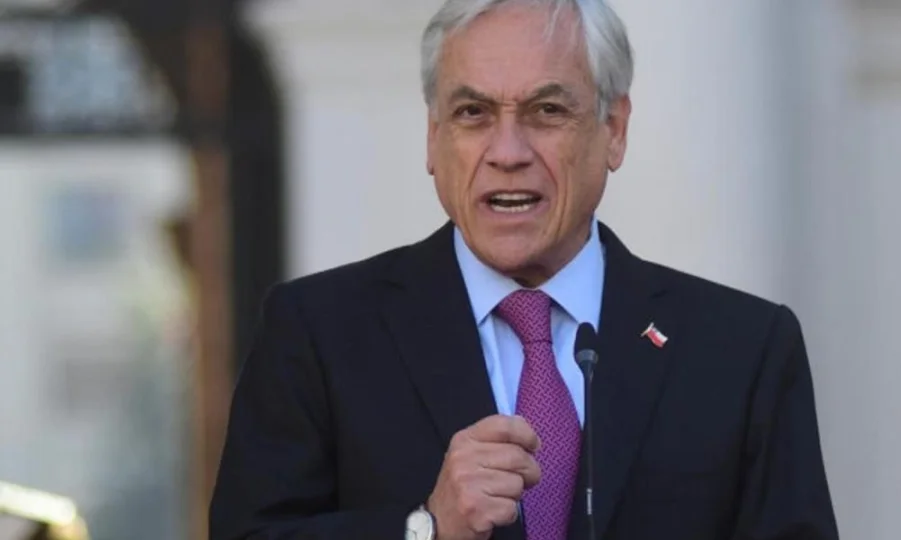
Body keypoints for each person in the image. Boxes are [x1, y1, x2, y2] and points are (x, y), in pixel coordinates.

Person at [209, 0, 839, 538]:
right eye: (473, 114)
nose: (507, 152)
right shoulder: (319, 334)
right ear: (433, 137)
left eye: (546, 111)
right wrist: (425, 528)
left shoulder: (741, 350)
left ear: (614, 129)